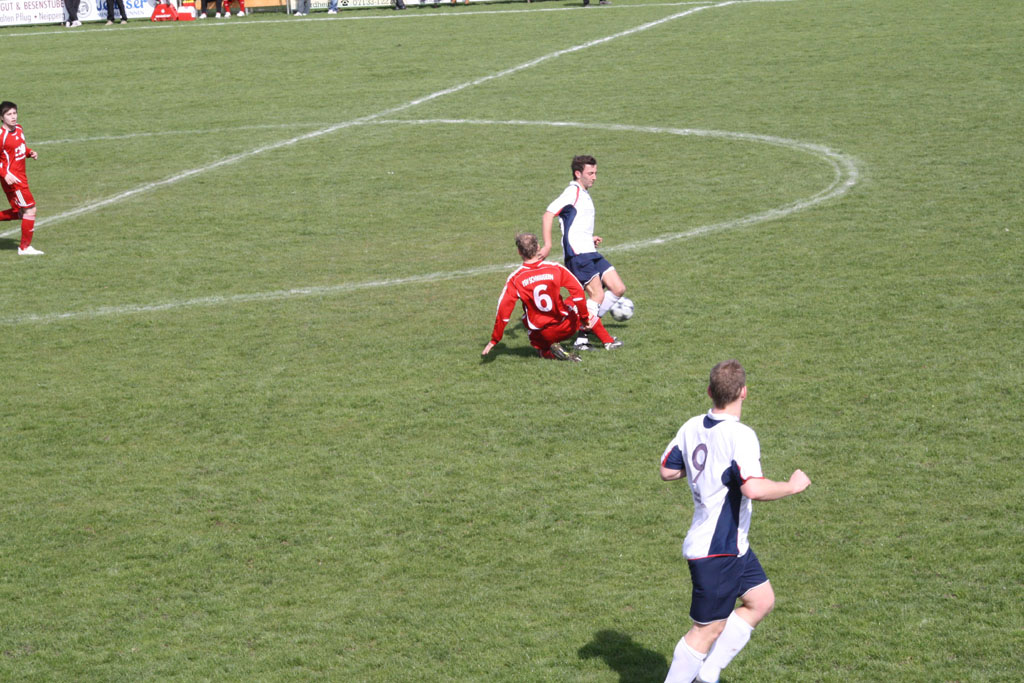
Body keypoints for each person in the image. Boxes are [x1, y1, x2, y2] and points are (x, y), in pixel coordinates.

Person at [658, 360, 811, 683]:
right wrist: (791, 486)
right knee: (706, 630)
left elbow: (668, 470)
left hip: (734, 545)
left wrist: (707, 469)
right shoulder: (741, 435)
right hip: (717, 550)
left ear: (710, 392)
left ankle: (707, 674)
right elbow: (753, 489)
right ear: (744, 392)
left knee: (761, 601)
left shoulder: (691, 426)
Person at [540, 154, 625, 351]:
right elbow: (548, 215)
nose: (594, 177)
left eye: (595, 173)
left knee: (618, 288)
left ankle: (586, 328)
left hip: (589, 250)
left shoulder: (584, 193)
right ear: (578, 174)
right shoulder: (572, 192)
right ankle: (584, 338)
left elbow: (575, 223)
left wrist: (589, 238)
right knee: (597, 295)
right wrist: (547, 245)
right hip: (578, 254)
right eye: (590, 173)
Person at [482, 232, 597, 362]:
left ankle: (549, 352)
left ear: (519, 252)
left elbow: (503, 311)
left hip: (543, 335)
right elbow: (578, 293)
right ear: (538, 247)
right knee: (577, 302)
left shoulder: (515, 279)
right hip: (566, 327)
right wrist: (584, 318)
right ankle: (606, 341)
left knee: (537, 343)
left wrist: (495, 339)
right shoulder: (555, 268)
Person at [0, 102, 43, 256]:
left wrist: (29, 152)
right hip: (13, 181)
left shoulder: (19, 128)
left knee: (20, 212)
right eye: (9, 114)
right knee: (30, 209)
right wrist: (5, 174)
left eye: (14, 113)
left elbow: (20, 148)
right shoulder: (1, 136)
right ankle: (24, 248)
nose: (13, 117)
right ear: (2, 118)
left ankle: (25, 247)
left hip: (21, 177)